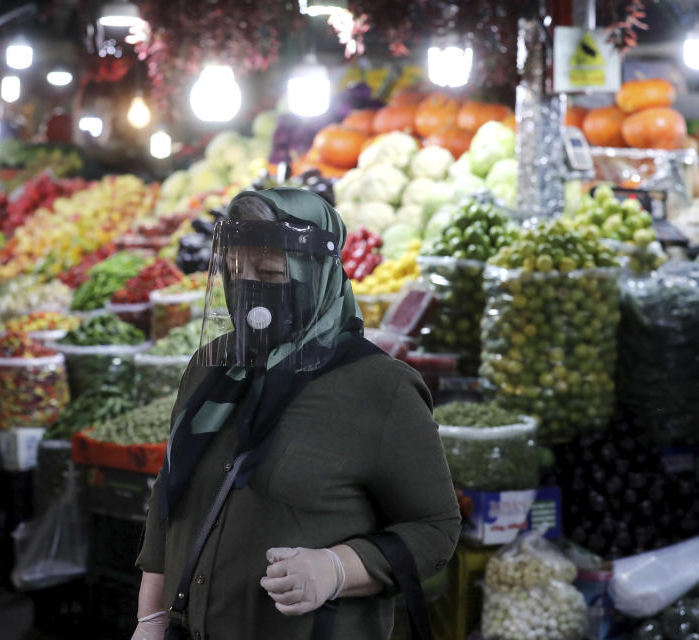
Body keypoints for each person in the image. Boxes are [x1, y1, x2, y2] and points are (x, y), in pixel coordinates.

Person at [132, 188, 460, 640]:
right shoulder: (212, 367)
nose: (248, 289)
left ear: (318, 275)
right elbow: (171, 498)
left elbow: (435, 528)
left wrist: (339, 568)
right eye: (236, 270)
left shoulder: (380, 388)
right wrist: (150, 618)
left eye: (270, 273)